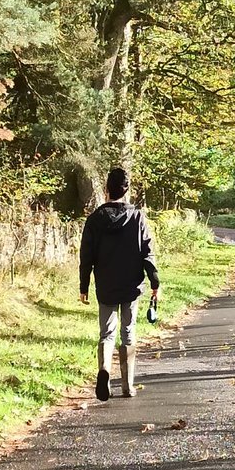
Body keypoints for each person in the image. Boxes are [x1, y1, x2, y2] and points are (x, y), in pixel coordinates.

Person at [79, 166, 160, 401]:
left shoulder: (94, 219)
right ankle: (127, 385)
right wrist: (155, 280)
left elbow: (86, 257)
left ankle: (104, 368)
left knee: (106, 333)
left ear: (106, 189)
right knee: (128, 332)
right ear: (126, 190)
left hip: (105, 284)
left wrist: (83, 286)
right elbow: (147, 252)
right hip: (131, 284)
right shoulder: (137, 217)